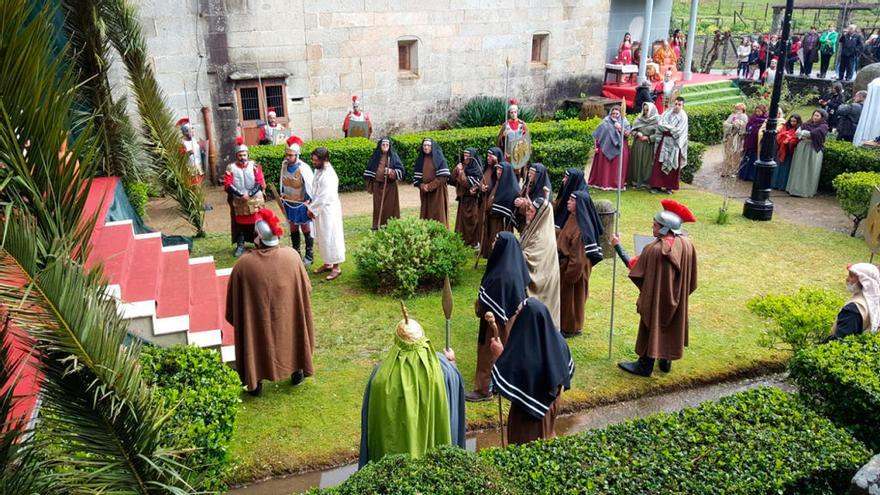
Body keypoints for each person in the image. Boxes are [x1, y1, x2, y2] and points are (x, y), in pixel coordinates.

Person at [358, 307, 465, 467]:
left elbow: (374, 427)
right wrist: (452, 363)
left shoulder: (380, 376)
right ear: (423, 337)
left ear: (397, 340)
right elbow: (455, 407)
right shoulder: (445, 370)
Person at [225, 208, 315, 396]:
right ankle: (297, 369)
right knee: (292, 331)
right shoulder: (293, 257)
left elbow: (235, 304)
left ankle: (255, 381)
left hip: (258, 319)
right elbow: (306, 289)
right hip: (288, 314)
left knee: (256, 337)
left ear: (258, 237)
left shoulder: (244, 265)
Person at [612, 199, 698, 377]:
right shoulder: (688, 244)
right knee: (672, 323)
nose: (652, 227)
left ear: (666, 228)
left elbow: (634, 267)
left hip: (658, 297)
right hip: (678, 298)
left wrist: (617, 246)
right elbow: (691, 279)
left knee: (652, 322)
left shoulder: (654, 250)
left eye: (655, 225)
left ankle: (645, 365)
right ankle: (665, 361)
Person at [489, 298, 574, 445]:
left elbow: (512, 375)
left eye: (517, 314)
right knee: (548, 440)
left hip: (530, 418)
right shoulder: (558, 341)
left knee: (528, 449)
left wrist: (499, 356)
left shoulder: (526, 357)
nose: (514, 317)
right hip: (552, 406)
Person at [466, 231, 530, 402]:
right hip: (512, 318)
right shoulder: (515, 266)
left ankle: (484, 389)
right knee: (506, 350)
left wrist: (478, 307)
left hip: (495, 323)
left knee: (490, 351)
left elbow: (484, 306)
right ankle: (504, 384)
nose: (493, 243)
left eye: (496, 240)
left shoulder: (500, 276)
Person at [556, 190, 604, 338]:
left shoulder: (582, 229)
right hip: (566, 265)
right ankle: (564, 324)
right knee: (566, 299)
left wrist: (569, 275)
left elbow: (578, 258)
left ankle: (572, 328)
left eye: (572, 200)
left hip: (575, 270)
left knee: (573, 299)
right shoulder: (572, 217)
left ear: (579, 205)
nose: (568, 202)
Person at [520, 196, 561, 329]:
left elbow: (531, 259)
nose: (527, 213)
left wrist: (510, 250)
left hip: (543, 282)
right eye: (528, 210)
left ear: (540, 215)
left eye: (531, 211)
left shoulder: (541, 236)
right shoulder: (533, 228)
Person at [308, 146, 345, 280]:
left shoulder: (328, 174)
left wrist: (312, 209)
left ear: (324, 160)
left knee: (332, 236)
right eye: (313, 160)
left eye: (316, 160)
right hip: (320, 210)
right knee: (323, 236)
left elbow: (324, 195)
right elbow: (316, 190)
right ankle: (327, 263)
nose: (314, 163)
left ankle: (336, 267)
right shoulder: (319, 170)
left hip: (329, 210)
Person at [225, 137, 266, 257]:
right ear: (236, 156)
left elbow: (259, 182)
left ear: (247, 154)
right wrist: (240, 194)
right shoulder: (230, 168)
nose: (242, 157)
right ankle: (240, 245)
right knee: (240, 224)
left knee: (257, 221)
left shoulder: (255, 166)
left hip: (255, 199)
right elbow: (228, 184)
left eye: (244, 155)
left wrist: (249, 194)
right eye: (240, 155)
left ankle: (259, 243)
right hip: (239, 199)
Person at [279, 135, 315, 265]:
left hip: (301, 203)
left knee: (305, 227)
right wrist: (282, 195)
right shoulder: (284, 165)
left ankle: (310, 254)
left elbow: (310, 186)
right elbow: (283, 182)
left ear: (296, 155)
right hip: (289, 202)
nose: (288, 157)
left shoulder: (303, 168)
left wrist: (309, 201)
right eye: (286, 155)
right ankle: (296, 254)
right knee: (293, 227)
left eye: (290, 155)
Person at [828, 263, 880, 341]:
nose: (847, 279)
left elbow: (839, 340)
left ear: (865, 281)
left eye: (851, 276)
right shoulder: (874, 300)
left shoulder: (853, 310)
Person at [786, 109, 829, 198]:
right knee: (798, 168)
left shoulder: (824, 126)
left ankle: (805, 191)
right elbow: (797, 132)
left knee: (808, 170)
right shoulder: (807, 123)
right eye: (814, 115)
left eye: (817, 116)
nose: (815, 117)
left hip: (813, 150)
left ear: (822, 117)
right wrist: (804, 133)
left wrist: (804, 133)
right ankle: (794, 189)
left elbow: (814, 134)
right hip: (802, 148)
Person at [364, 137, 405, 229]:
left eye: (387, 145)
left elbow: (401, 171)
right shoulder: (375, 156)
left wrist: (391, 172)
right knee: (378, 206)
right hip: (377, 186)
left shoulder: (394, 156)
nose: (385, 146)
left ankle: (390, 225)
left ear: (389, 146)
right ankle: (377, 225)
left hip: (390, 187)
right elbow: (369, 170)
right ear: (380, 146)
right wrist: (370, 184)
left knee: (389, 207)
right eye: (383, 145)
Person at [650, 96, 687, 194]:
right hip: (664, 140)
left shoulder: (683, 117)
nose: (677, 106)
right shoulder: (666, 113)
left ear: (683, 106)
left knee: (672, 164)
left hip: (675, 143)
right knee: (659, 163)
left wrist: (668, 128)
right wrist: (670, 128)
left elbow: (679, 131)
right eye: (675, 104)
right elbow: (660, 124)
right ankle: (656, 186)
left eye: (679, 105)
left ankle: (669, 187)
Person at [588, 105, 630, 191]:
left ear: (620, 114)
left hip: (619, 148)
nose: (614, 115)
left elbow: (627, 134)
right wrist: (596, 147)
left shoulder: (624, 122)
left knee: (616, 169)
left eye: (617, 114)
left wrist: (619, 128)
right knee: (606, 168)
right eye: (613, 113)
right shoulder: (605, 122)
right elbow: (597, 135)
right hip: (605, 147)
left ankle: (615, 184)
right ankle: (604, 183)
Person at [478, 148, 509, 258]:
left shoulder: (501, 170)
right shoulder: (488, 169)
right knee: (486, 228)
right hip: (486, 203)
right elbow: (483, 181)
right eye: (487, 156)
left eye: (491, 156)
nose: (488, 158)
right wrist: (481, 187)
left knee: (495, 231)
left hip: (496, 208)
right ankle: (486, 250)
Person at [413, 138, 450, 227]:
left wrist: (430, 186)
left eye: (428, 145)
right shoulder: (420, 160)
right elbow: (417, 179)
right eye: (424, 145)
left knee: (438, 213)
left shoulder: (439, 159)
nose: (426, 147)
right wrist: (422, 186)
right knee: (426, 213)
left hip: (438, 192)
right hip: (425, 193)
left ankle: (440, 233)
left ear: (432, 146)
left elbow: (443, 176)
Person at [452, 148, 484, 249]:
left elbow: (468, 183)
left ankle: (473, 242)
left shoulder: (476, 169)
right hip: (462, 198)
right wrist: (456, 170)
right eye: (464, 155)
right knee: (461, 222)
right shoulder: (462, 165)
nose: (465, 157)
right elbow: (452, 179)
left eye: (468, 155)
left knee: (471, 221)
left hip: (472, 200)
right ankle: (462, 240)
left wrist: (461, 173)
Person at [629, 102, 662, 188]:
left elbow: (660, 134)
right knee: (637, 163)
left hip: (650, 146)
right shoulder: (639, 118)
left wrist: (649, 138)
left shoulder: (658, 120)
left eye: (647, 110)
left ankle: (647, 182)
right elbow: (632, 131)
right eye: (644, 110)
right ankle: (636, 181)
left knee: (647, 164)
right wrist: (637, 133)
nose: (646, 112)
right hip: (638, 145)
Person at [771, 113, 802, 190]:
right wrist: (784, 136)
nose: (792, 123)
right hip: (780, 149)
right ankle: (774, 183)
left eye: (794, 121)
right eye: (791, 121)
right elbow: (779, 135)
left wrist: (789, 140)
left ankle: (781, 185)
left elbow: (796, 139)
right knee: (777, 168)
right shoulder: (785, 126)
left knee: (784, 169)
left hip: (788, 152)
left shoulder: (798, 129)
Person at [738, 104, 768, 182]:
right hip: (749, 142)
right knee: (747, 158)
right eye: (756, 111)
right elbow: (748, 126)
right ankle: (744, 174)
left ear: (763, 111)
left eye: (759, 111)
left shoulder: (765, 120)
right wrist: (749, 129)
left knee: (754, 159)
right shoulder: (752, 118)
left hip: (756, 144)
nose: (757, 113)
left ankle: (752, 176)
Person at [721, 103, 749, 178]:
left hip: (738, 138)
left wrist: (736, 124)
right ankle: (726, 170)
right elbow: (725, 123)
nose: (737, 110)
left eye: (739, 109)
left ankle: (733, 171)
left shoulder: (744, 116)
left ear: (743, 109)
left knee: (735, 153)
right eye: (736, 108)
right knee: (728, 153)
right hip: (730, 137)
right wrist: (731, 125)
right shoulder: (732, 115)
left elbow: (742, 126)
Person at [178, 118, 204, 184]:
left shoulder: (194, 140)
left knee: (199, 187)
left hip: (198, 167)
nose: (193, 131)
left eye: (193, 129)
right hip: (190, 169)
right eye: (191, 129)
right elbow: (179, 157)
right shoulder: (182, 143)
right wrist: (188, 153)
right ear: (185, 131)